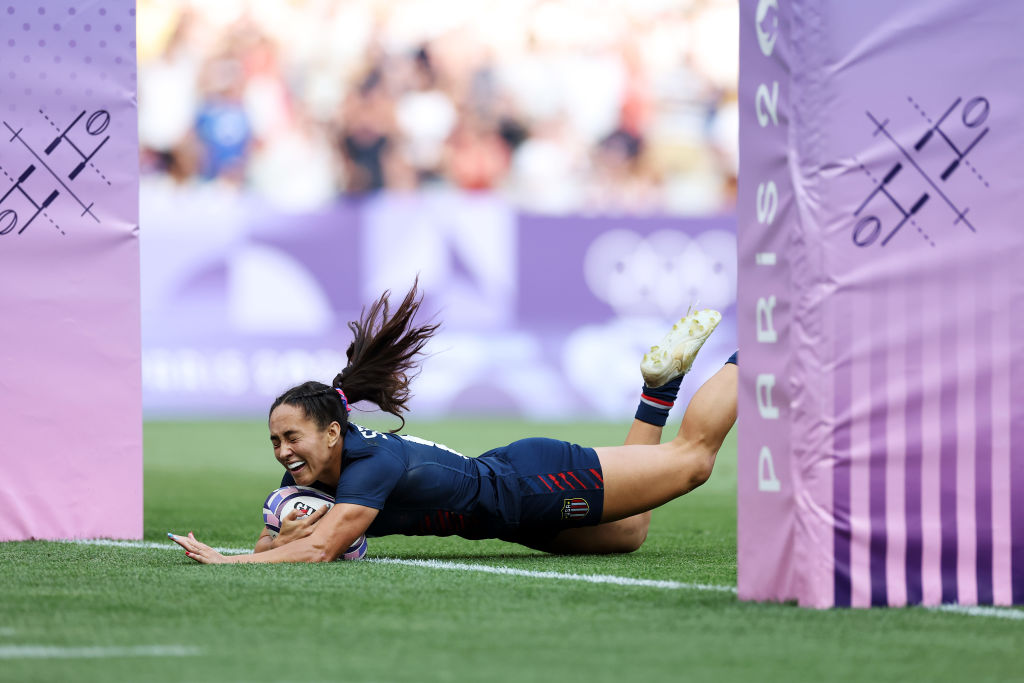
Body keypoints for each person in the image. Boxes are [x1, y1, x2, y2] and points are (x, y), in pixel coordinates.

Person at [169, 282, 738, 563]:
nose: (283, 451)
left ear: (333, 432)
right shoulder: (309, 480)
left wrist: (232, 563)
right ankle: (659, 388)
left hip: (535, 486)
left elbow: (322, 548)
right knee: (630, 532)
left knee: (694, 461)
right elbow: (280, 538)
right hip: (516, 509)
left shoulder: (370, 459)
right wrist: (254, 550)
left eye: (292, 437)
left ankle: (759, 345)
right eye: (275, 441)